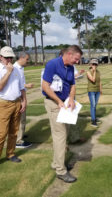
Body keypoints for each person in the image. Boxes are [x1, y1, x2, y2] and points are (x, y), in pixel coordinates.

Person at [42, 45, 82, 183]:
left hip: (65, 105)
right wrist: (58, 101)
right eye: (76, 59)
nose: (77, 62)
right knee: (60, 136)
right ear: (69, 54)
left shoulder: (70, 67)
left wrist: (71, 99)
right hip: (54, 104)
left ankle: (56, 163)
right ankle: (61, 170)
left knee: (65, 134)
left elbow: (73, 85)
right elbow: (45, 86)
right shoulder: (52, 64)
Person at [0, 46, 27, 172]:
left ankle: (10, 153)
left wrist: (24, 101)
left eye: (10, 57)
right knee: (1, 132)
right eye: (6, 57)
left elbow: (21, 87)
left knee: (14, 131)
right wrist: (8, 72)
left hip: (16, 102)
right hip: (3, 103)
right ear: (0, 57)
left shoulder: (17, 70)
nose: (9, 60)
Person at [14, 52, 33, 148]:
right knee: (21, 119)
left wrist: (25, 85)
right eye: (27, 59)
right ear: (21, 58)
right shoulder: (16, 68)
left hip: (20, 95)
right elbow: (16, 84)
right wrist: (26, 86)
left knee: (20, 118)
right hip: (18, 97)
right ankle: (18, 140)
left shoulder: (20, 68)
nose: (28, 61)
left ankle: (19, 134)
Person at [86, 58, 102, 127]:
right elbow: (93, 79)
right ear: (90, 65)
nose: (94, 65)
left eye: (96, 64)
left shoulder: (98, 72)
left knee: (95, 105)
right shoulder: (88, 72)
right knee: (93, 105)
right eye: (93, 64)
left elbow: (99, 81)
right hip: (91, 90)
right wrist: (94, 71)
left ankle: (94, 117)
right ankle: (93, 121)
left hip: (97, 90)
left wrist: (100, 89)